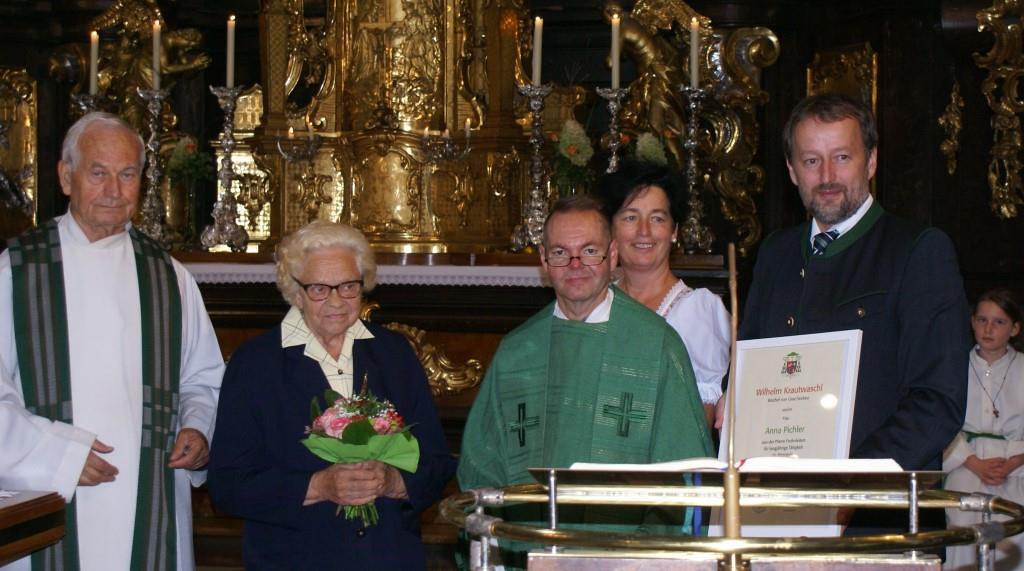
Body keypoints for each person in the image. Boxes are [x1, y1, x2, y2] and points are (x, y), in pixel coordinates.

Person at [734, 94, 970, 534]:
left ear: (872, 161)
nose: (827, 176)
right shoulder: (775, 254)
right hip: (773, 514)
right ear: (791, 170)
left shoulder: (917, 251)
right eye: (811, 161)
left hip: (880, 523)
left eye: (842, 157)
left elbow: (938, 401)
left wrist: (850, 483)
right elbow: (750, 372)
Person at [0, 112, 224, 570]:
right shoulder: (16, 272)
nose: (113, 190)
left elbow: (202, 379)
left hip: (151, 497)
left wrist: (197, 428)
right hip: (45, 491)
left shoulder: (168, 277)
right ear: (66, 177)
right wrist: (58, 455)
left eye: (127, 175)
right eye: (98, 173)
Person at [458, 195, 714, 566]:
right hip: (530, 556)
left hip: (626, 560)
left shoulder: (656, 344)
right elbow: (480, 470)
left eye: (589, 251)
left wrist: (643, 558)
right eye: (561, 253)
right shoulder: (517, 351)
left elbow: (684, 474)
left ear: (612, 255)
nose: (575, 264)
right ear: (544, 260)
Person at [207, 220, 456, 569]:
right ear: (295, 291)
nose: (336, 301)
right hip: (295, 559)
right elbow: (227, 484)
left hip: (388, 558)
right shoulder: (255, 363)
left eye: (349, 286)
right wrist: (317, 486)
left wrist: (394, 482)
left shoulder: (394, 354)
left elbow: (437, 462)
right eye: (320, 289)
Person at [595, 161, 731, 427]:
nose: (644, 231)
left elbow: (701, 420)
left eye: (657, 218)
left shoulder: (698, 310)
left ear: (674, 231)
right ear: (612, 229)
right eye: (630, 217)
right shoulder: (597, 302)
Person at [944, 288, 1024, 570]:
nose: (988, 329)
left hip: (1015, 471)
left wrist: (1015, 461)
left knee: (1013, 537)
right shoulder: (952, 367)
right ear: (972, 322)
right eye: (982, 320)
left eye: (999, 322)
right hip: (966, 466)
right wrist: (973, 462)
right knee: (963, 538)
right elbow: (939, 420)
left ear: (1014, 329)